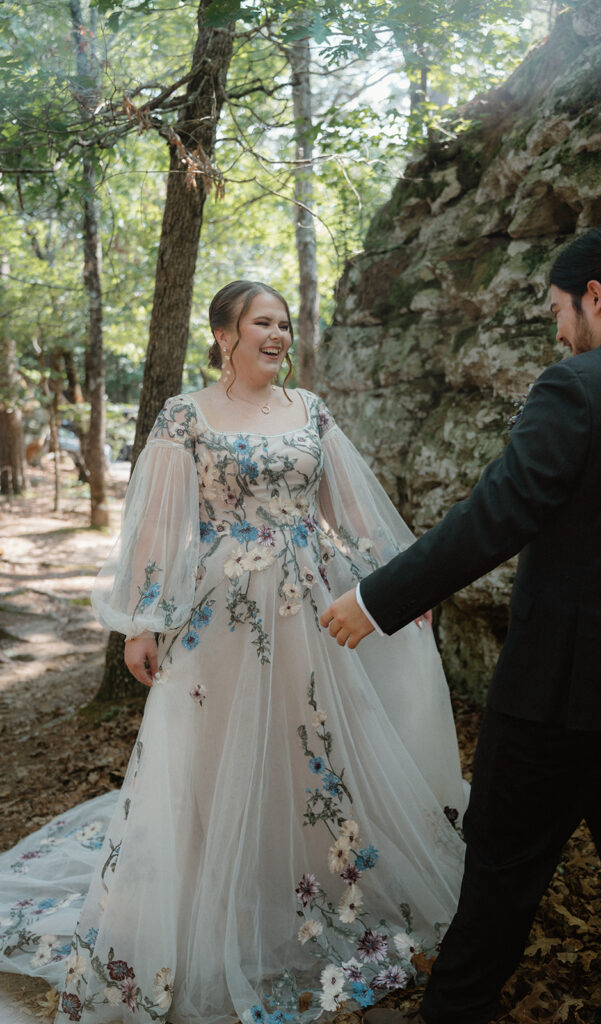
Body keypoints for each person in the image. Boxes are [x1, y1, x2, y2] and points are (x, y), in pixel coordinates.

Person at [0, 281, 468, 1024]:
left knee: (310, 741)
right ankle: (218, 886)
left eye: (283, 323)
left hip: (311, 610)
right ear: (225, 335)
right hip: (220, 611)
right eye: (262, 323)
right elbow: (156, 525)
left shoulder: (309, 410)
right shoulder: (186, 417)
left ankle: (308, 877)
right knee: (214, 752)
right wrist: (143, 623)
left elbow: (347, 506)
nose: (278, 334)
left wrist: (404, 583)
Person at [321, 226, 601, 1024]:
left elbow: (494, 516)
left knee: (500, 859)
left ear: (593, 297)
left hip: (557, 685)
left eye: (558, 308)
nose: (556, 329)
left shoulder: (578, 387)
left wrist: (373, 600)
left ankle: (454, 1008)